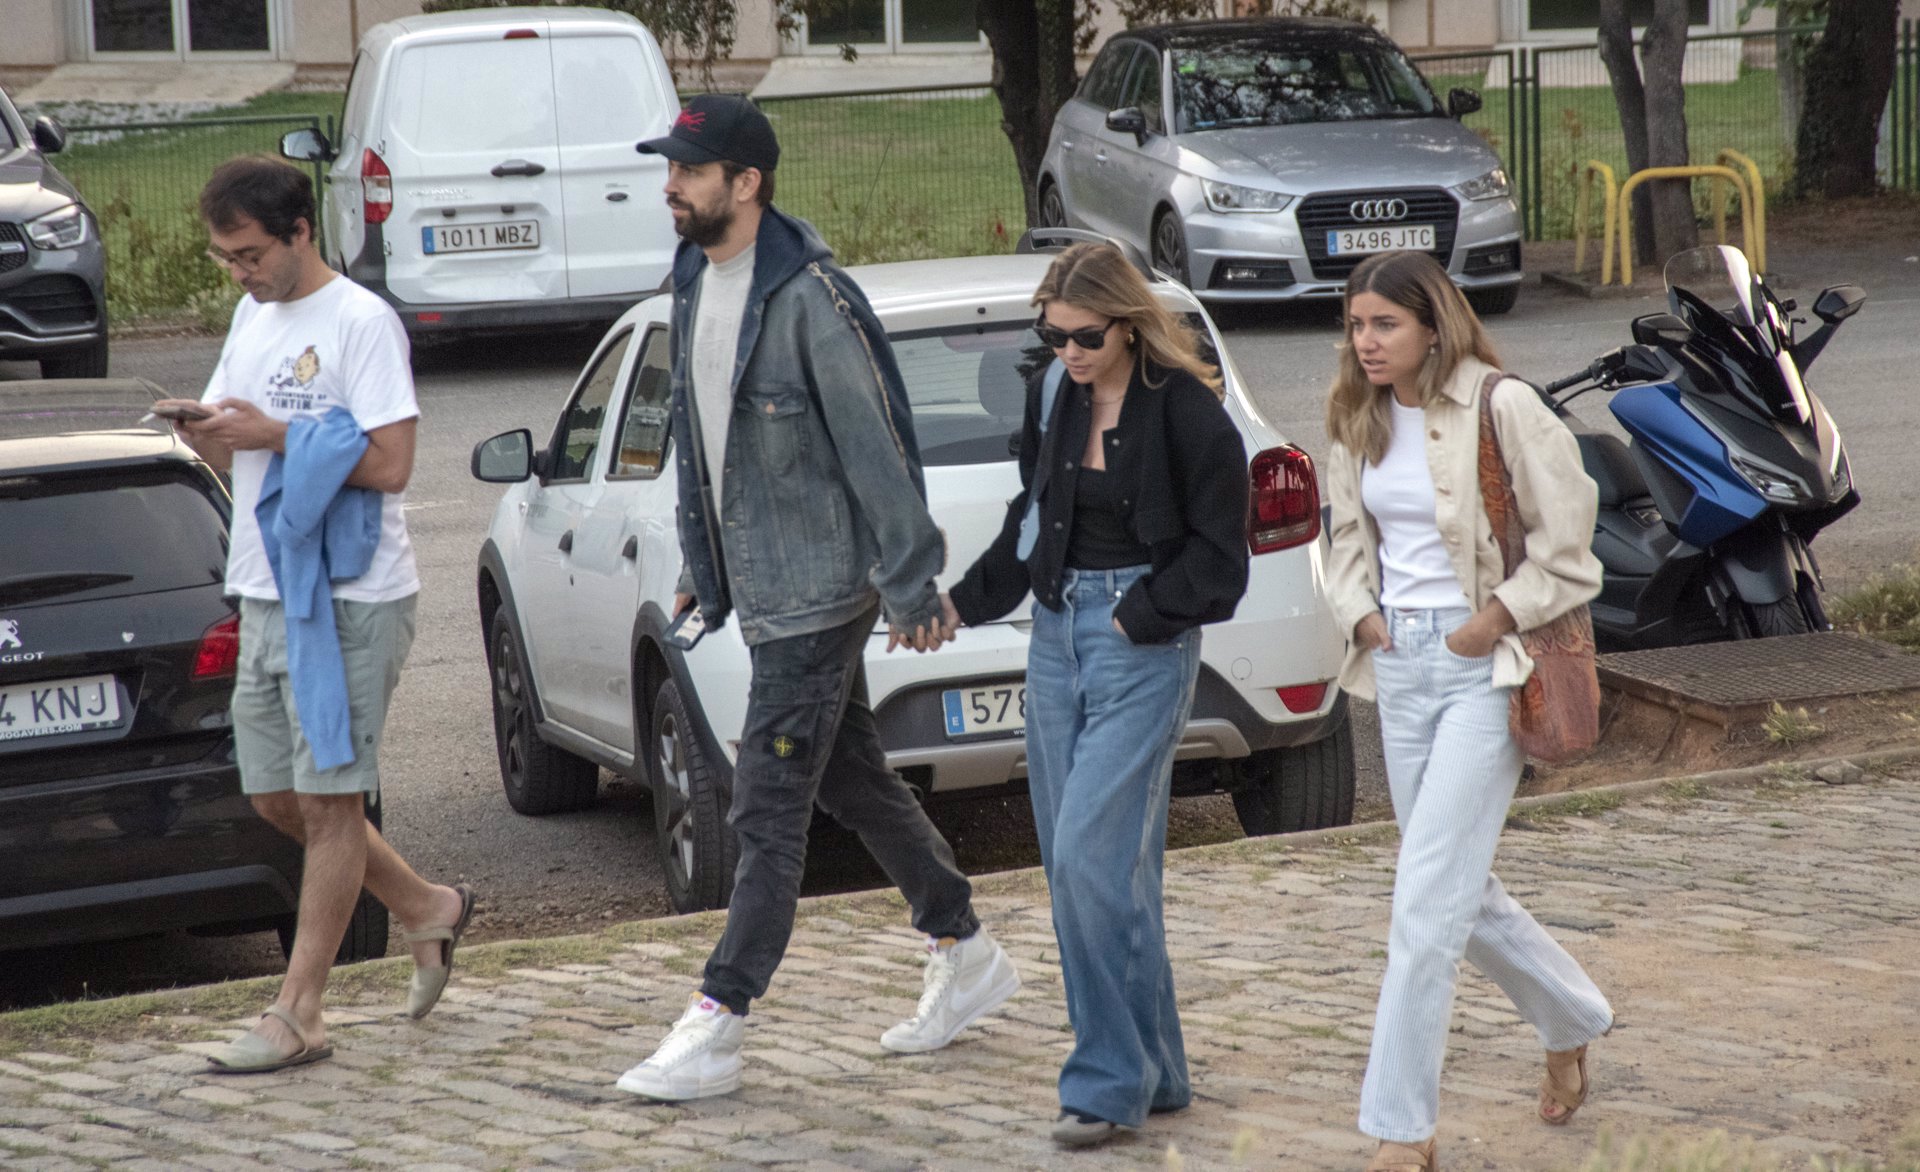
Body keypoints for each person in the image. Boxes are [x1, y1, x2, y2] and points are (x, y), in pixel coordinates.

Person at [614, 94, 1019, 1103]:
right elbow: (704, 448)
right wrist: (703, 564)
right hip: (759, 584)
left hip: (819, 592)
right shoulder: (692, 280)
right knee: (854, 779)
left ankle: (718, 1019)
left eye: (691, 168)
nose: (672, 181)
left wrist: (912, 577)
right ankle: (962, 944)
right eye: (670, 164)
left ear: (745, 183)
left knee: (766, 803)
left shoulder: (811, 299)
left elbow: (875, 444)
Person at [157, 156, 475, 1073]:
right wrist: (208, 432)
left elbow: (391, 463)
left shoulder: (362, 321)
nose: (239, 273)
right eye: (225, 258)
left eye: (250, 253)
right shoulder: (253, 314)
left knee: (332, 804)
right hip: (263, 586)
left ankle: (299, 1013)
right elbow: (241, 442)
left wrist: (272, 433)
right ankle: (427, 907)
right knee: (275, 797)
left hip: (350, 596)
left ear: (299, 231)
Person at [943, 243, 1250, 1148]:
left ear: (1127, 324)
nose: (1067, 351)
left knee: (1086, 858)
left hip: (1138, 647)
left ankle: (1105, 1083)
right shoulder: (1054, 395)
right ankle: (1158, 1072)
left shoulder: (1192, 417)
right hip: (1052, 641)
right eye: (1053, 335)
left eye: (1083, 337)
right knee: (1105, 873)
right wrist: (958, 604)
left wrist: (1139, 615)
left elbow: (1221, 564)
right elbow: (1029, 524)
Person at [1323, 250, 1615, 1171]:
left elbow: (1572, 552)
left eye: (1384, 325)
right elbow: (1340, 537)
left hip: (1487, 668)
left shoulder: (1503, 406)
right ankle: (1570, 1016)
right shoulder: (1356, 414)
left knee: (1423, 907)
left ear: (1432, 325)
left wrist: (1489, 621)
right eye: (1356, 324)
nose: (1366, 342)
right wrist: (1361, 614)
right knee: (1453, 888)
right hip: (1398, 666)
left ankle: (1401, 1132)